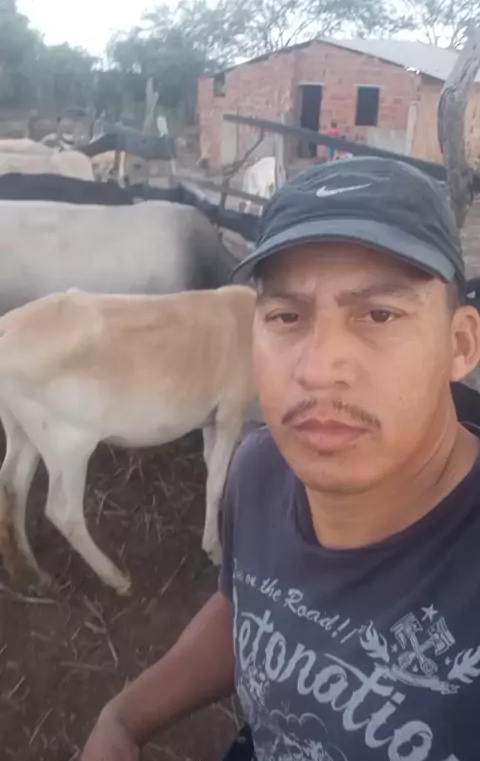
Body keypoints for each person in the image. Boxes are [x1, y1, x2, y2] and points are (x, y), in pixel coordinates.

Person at [80, 157, 480, 761]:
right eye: (287, 317)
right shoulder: (261, 470)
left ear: (460, 345)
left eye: (379, 314)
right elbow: (248, 601)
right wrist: (124, 718)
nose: (317, 369)